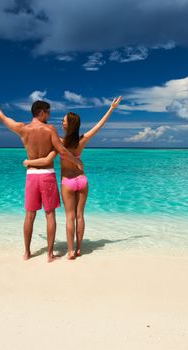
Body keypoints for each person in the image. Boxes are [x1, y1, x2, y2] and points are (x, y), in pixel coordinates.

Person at [0, 88, 83, 262]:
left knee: (29, 215)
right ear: (42, 112)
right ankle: (50, 254)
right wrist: (77, 162)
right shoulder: (49, 129)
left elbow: (2, 118)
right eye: (49, 113)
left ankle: (27, 253)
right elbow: (62, 151)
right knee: (49, 214)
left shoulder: (23, 129)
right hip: (47, 176)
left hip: (31, 176)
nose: (50, 117)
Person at [23, 96, 122, 259]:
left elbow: (48, 154)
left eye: (64, 121)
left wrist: (28, 161)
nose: (61, 123)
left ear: (69, 124)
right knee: (80, 216)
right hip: (82, 180)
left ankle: (70, 251)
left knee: (70, 217)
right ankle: (78, 249)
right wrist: (111, 109)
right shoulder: (82, 140)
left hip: (68, 182)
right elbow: (99, 126)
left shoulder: (59, 142)